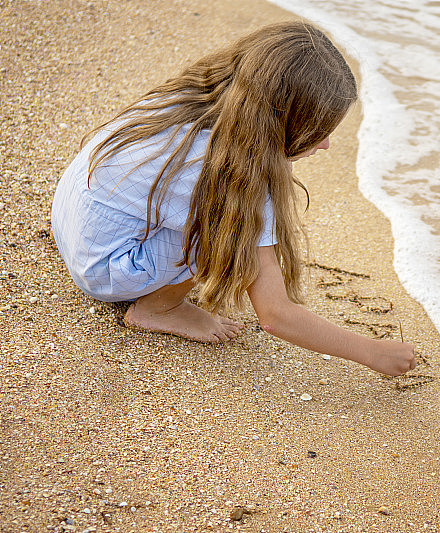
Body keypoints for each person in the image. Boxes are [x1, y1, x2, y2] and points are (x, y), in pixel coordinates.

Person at [50, 22, 416, 377]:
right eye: (317, 132)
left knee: (226, 209)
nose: (325, 144)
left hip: (70, 218)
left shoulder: (191, 97)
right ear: (282, 122)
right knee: (230, 226)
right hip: (101, 270)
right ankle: (159, 309)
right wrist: (372, 352)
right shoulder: (227, 172)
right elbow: (275, 315)